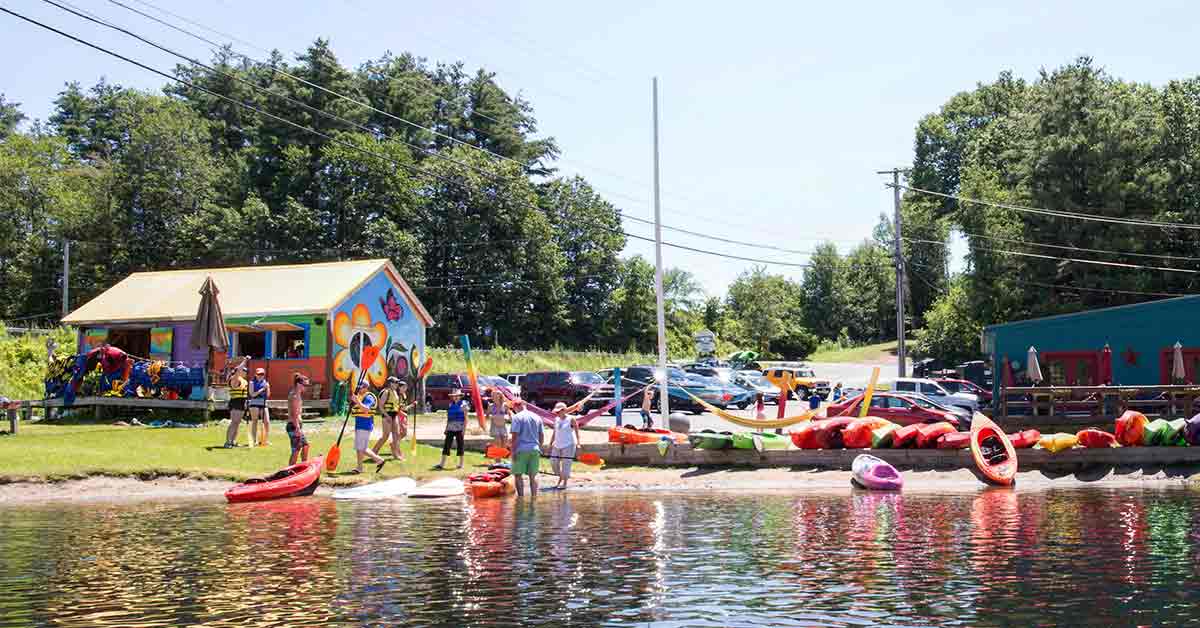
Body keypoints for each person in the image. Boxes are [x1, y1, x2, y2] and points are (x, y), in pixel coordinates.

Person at [549, 393, 594, 490]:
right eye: (556, 411)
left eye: (559, 411)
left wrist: (578, 443)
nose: (557, 413)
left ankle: (564, 482)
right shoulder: (556, 419)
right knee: (553, 462)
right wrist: (551, 442)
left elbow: (577, 431)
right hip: (557, 444)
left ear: (564, 410)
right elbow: (555, 432)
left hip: (569, 444)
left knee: (566, 463)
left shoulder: (571, 419)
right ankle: (561, 476)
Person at [509, 396, 545, 497]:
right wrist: (540, 448)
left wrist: (513, 452)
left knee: (518, 475)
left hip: (521, 449)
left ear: (516, 406)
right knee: (533, 476)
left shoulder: (517, 417)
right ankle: (534, 498)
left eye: (513, 408)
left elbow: (514, 436)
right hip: (535, 449)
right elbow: (541, 435)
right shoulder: (537, 417)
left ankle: (521, 498)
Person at [351, 382, 387, 474]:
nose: (359, 389)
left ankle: (379, 460)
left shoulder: (369, 397)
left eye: (361, 387)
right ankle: (359, 467)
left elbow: (366, 409)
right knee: (359, 448)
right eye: (358, 387)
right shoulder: (360, 396)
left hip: (365, 425)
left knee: (362, 448)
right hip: (359, 424)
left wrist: (357, 401)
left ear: (366, 388)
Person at [373, 377, 408, 461]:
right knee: (386, 436)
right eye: (395, 382)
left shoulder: (395, 392)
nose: (397, 384)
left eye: (397, 382)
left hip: (394, 415)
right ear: (390, 383)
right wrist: (387, 416)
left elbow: (397, 405)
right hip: (387, 415)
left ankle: (395, 454)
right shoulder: (386, 392)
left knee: (396, 435)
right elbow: (380, 406)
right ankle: (374, 452)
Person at [435, 388, 468, 470]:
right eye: (454, 396)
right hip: (450, 427)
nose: (456, 397)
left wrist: (464, 429)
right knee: (447, 445)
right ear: (452, 397)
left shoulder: (464, 405)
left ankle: (461, 464)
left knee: (460, 445)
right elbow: (448, 418)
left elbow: (466, 418)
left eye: (457, 396)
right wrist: (446, 428)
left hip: (459, 428)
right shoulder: (450, 405)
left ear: (460, 396)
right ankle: (442, 464)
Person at [223, 361, 250, 448]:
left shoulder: (244, 381)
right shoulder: (235, 379)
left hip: (242, 402)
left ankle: (233, 441)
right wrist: (245, 360)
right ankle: (227, 442)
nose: (246, 372)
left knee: (237, 423)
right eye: (244, 370)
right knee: (234, 422)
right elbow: (237, 369)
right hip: (236, 402)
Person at [287, 373, 311, 465]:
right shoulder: (295, 396)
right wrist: (297, 428)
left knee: (305, 446)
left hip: (295, 425)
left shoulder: (297, 394)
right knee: (296, 449)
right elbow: (294, 415)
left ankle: (304, 466)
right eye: (305, 385)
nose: (306, 387)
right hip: (293, 426)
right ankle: (289, 470)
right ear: (298, 384)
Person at [248, 367, 271, 447]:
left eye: (262, 374)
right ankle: (254, 440)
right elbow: (252, 394)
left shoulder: (266, 382)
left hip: (263, 402)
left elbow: (268, 395)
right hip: (254, 402)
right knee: (255, 421)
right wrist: (261, 390)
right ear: (256, 374)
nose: (260, 375)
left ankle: (265, 440)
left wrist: (267, 388)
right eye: (259, 374)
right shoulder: (251, 382)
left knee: (267, 422)